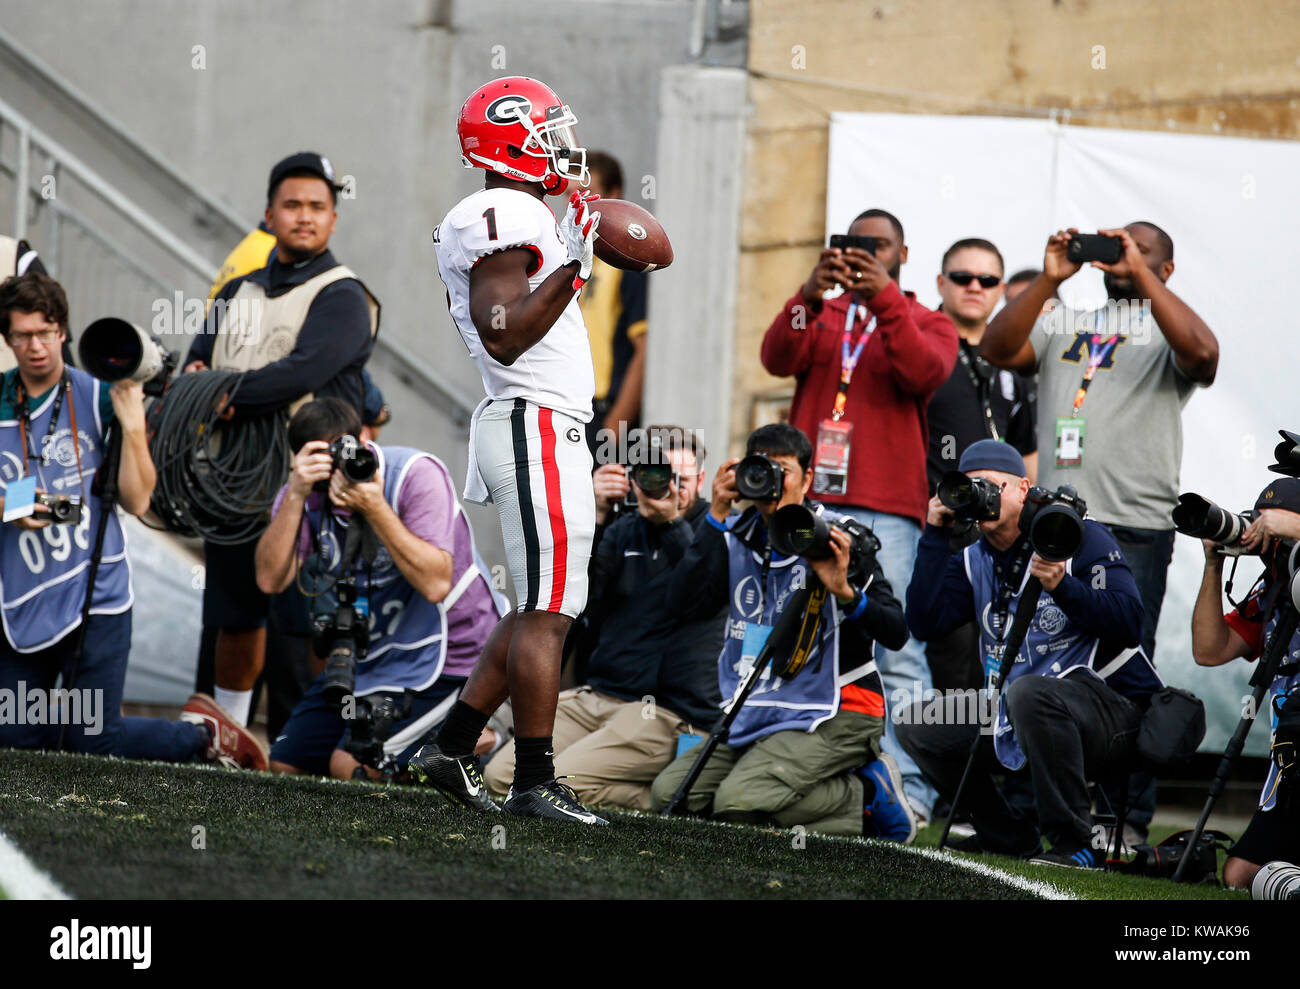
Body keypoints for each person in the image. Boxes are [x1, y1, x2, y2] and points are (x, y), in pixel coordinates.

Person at [410, 75, 608, 825]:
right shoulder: (504, 210)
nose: (561, 143)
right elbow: (504, 327)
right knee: (550, 613)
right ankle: (534, 780)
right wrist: (578, 265)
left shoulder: (516, 211)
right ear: (511, 139)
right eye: (547, 129)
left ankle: (453, 745)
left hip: (536, 420)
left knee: (537, 606)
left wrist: (570, 262)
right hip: (533, 420)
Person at [981, 222, 1218, 841]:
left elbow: (1205, 356)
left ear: (1165, 270)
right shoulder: (1066, 321)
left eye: (1138, 252)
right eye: (1114, 249)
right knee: (1038, 659)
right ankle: (1044, 811)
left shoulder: (1166, 332)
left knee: (1124, 672)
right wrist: (1052, 280)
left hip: (1134, 525)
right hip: (1061, 526)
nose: (1119, 258)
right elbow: (997, 348)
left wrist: (1136, 273)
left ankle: (1124, 819)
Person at [0, 272, 263, 768]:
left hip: (94, 595)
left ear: (63, 332)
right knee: (14, 741)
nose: (36, 346)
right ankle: (60, 720)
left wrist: (133, 425)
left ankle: (200, 737)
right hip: (18, 599)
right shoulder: (0, 396)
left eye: (46, 332)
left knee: (90, 746)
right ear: (8, 338)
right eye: (22, 335)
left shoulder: (98, 393)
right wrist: (12, 503)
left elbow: (138, 500)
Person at [760, 207, 956, 822]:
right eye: (854, 243)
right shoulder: (822, 312)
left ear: (902, 253)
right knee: (789, 631)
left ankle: (912, 792)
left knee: (897, 650)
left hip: (887, 507)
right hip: (812, 498)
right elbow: (775, 356)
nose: (865, 253)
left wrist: (886, 300)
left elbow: (923, 372)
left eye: (879, 245)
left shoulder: (926, 319)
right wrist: (809, 293)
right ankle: (781, 770)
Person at [183, 152, 379, 731]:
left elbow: (302, 372)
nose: (304, 217)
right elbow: (200, 358)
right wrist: (196, 381)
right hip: (235, 485)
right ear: (269, 214)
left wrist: (222, 394)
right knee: (231, 614)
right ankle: (225, 734)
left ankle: (304, 750)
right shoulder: (237, 290)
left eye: (318, 207)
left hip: (314, 486)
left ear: (334, 220)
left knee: (302, 627)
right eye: (292, 205)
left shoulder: (345, 296)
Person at [901, 439, 1161, 868]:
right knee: (918, 722)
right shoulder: (974, 558)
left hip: (1112, 713)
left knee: (1028, 694)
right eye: (970, 488)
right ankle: (1007, 836)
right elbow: (925, 623)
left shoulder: (1077, 534)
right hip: (1021, 710)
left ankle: (1075, 841)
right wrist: (935, 532)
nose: (981, 496)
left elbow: (1131, 622)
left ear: (1024, 488)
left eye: (992, 486)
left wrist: (1064, 587)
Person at [649, 424, 915, 839]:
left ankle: (864, 793)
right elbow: (680, 607)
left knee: (738, 804)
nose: (769, 481)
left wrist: (846, 593)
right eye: (760, 469)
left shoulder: (837, 535)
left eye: (783, 470)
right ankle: (791, 783)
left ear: (808, 479)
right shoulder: (736, 532)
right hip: (760, 705)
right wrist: (715, 515)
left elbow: (896, 631)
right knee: (671, 796)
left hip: (841, 707)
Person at [255, 399, 505, 780]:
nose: (341, 466)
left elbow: (436, 583)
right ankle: (438, 740)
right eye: (326, 458)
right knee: (288, 760)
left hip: (451, 655)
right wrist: (295, 492)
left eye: (348, 449)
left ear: (366, 438)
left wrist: (374, 507)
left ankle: (467, 737)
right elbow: (270, 580)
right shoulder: (306, 495)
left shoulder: (413, 474)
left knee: (348, 764)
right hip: (375, 654)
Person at [484, 427, 724, 808]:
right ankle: (660, 794)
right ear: (634, 476)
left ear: (700, 480)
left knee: (562, 784)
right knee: (501, 778)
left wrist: (672, 525)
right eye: (658, 475)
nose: (668, 488)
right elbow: (578, 600)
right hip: (597, 696)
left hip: (663, 711)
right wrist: (593, 513)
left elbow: (701, 593)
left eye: (681, 479)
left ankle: (666, 799)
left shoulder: (713, 532)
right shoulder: (624, 528)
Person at [925, 239, 1036, 694]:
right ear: (940, 283)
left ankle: (995, 759)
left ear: (1001, 289)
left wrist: (1024, 522)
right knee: (942, 658)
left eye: (987, 280)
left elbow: (1026, 450)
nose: (975, 287)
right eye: (962, 278)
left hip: (999, 536)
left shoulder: (1011, 359)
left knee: (997, 658)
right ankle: (926, 761)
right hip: (937, 526)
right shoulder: (924, 350)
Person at [1190, 478, 1300, 889]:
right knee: (1239, 875)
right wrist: (1213, 564)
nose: (1260, 533)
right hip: (1289, 761)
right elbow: (1209, 649)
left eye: (1269, 526)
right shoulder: (1271, 590)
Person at [577, 151, 648, 456]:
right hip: (571, 409)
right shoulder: (572, 256)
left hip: (603, 411)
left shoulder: (627, 260)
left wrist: (615, 424)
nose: (577, 205)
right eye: (571, 196)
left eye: (586, 195)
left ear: (614, 196)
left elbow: (645, 350)